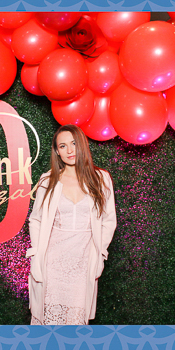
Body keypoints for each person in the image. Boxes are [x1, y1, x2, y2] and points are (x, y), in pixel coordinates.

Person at [26, 124, 117, 325]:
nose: (69, 151)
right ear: (57, 151)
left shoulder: (101, 179)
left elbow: (108, 221)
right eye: (63, 146)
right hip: (53, 263)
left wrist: (101, 253)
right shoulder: (48, 180)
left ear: (82, 145)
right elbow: (36, 219)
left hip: (83, 262)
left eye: (74, 144)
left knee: (76, 323)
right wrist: (36, 255)